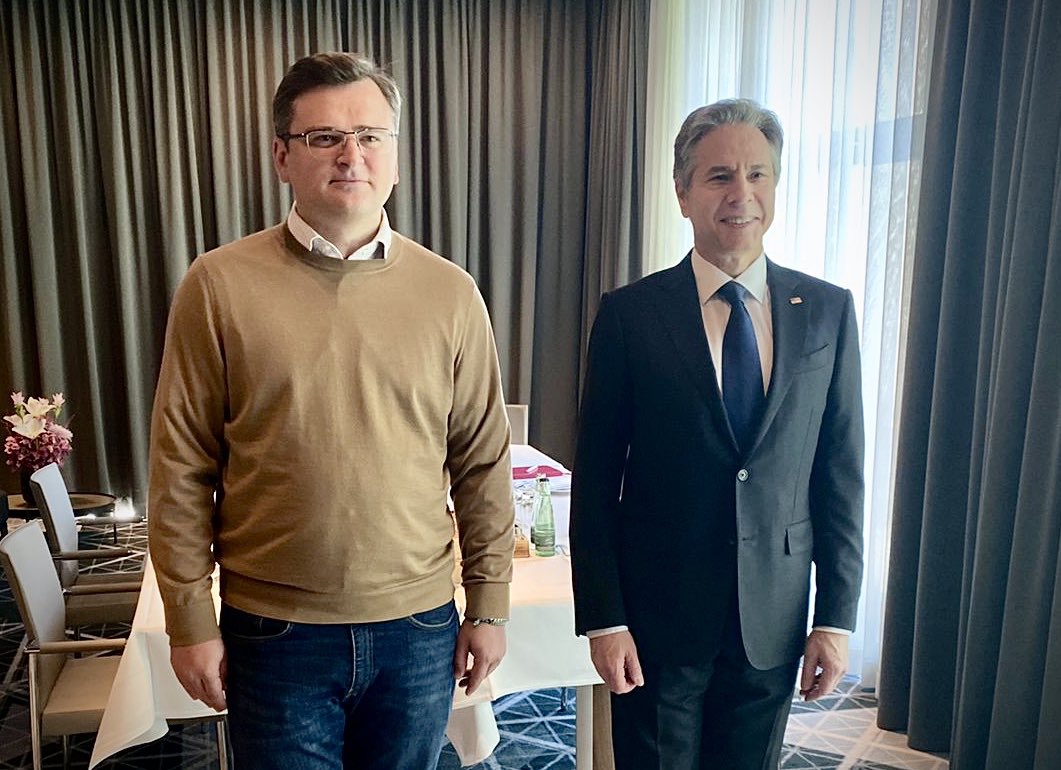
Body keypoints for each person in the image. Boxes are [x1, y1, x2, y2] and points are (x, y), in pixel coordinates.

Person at [148, 52, 514, 769]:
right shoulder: (217, 285)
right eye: (324, 137)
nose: (352, 155)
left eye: (371, 135)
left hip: (418, 627)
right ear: (282, 156)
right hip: (272, 632)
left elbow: (481, 462)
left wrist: (490, 603)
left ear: (395, 157)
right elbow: (181, 466)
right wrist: (188, 619)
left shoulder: (450, 293)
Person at [570, 98, 864, 769]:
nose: (741, 194)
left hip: (772, 617)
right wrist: (605, 619)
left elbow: (840, 476)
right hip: (657, 619)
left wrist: (835, 617)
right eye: (719, 176)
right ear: (682, 193)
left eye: (757, 175)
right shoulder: (630, 316)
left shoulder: (827, 311)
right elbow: (595, 482)